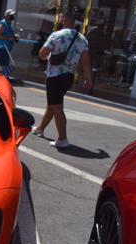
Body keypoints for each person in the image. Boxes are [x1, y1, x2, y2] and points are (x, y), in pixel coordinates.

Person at [32, 10, 92, 148]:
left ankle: (62, 139)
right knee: (52, 103)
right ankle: (40, 129)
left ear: (64, 20)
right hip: (69, 76)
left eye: (60, 19)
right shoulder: (82, 39)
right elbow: (86, 62)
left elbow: (42, 53)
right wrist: (88, 79)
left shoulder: (56, 35)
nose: (58, 21)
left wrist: (48, 57)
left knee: (57, 106)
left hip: (54, 75)